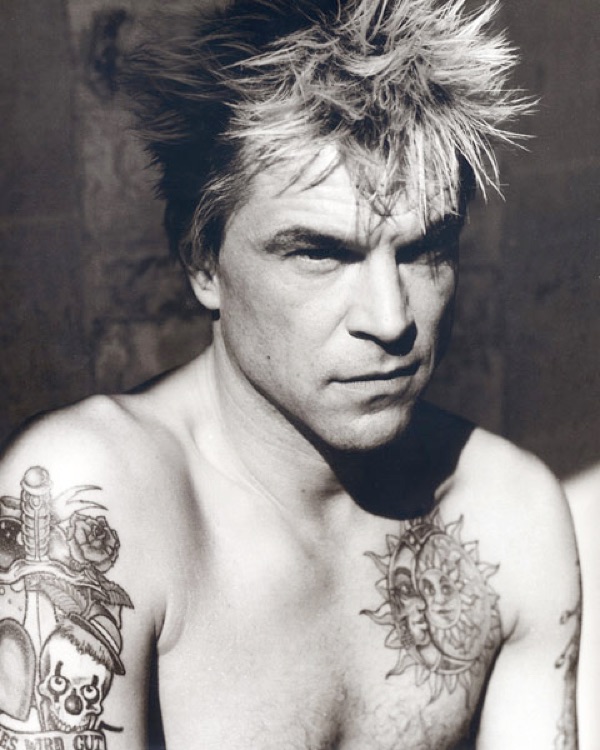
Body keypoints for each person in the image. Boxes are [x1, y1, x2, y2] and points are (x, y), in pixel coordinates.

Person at [0, 0, 580, 748]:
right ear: (202, 262)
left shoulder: (510, 516)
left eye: (423, 250)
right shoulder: (94, 503)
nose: (390, 318)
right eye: (320, 253)